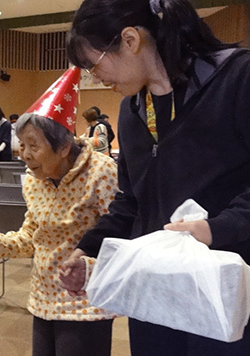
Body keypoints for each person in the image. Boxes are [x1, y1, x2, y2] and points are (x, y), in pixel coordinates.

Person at [59, 0, 250, 355]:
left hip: (227, 291)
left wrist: (217, 228)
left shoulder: (237, 79)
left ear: (130, 40)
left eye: (93, 65)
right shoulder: (132, 112)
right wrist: (87, 249)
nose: (95, 78)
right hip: (155, 295)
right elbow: (131, 201)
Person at [0, 67, 119, 356]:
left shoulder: (101, 173)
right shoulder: (35, 181)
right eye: (22, 145)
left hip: (85, 302)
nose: (24, 155)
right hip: (43, 298)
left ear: (63, 147)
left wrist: (88, 268)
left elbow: (123, 236)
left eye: (33, 146)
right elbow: (31, 238)